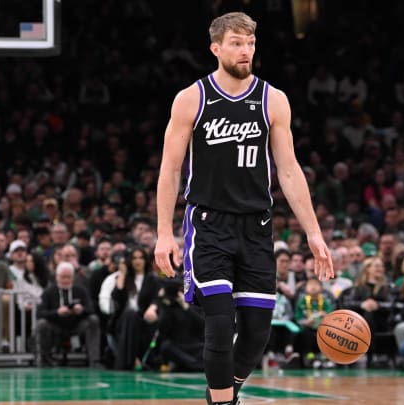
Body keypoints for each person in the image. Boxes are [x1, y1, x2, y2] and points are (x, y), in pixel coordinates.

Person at [153, 12, 333, 405]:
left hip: (257, 228)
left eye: (250, 43)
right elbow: (169, 169)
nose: (245, 50)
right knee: (219, 325)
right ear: (216, 48)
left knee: (255, 333)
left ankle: (222, 392)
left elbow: (288, 170)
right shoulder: (192, 98)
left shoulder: (273, 100)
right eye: (236, 42)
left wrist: (314, 233)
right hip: (209, 224)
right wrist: (164, 233)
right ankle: (224, 402)